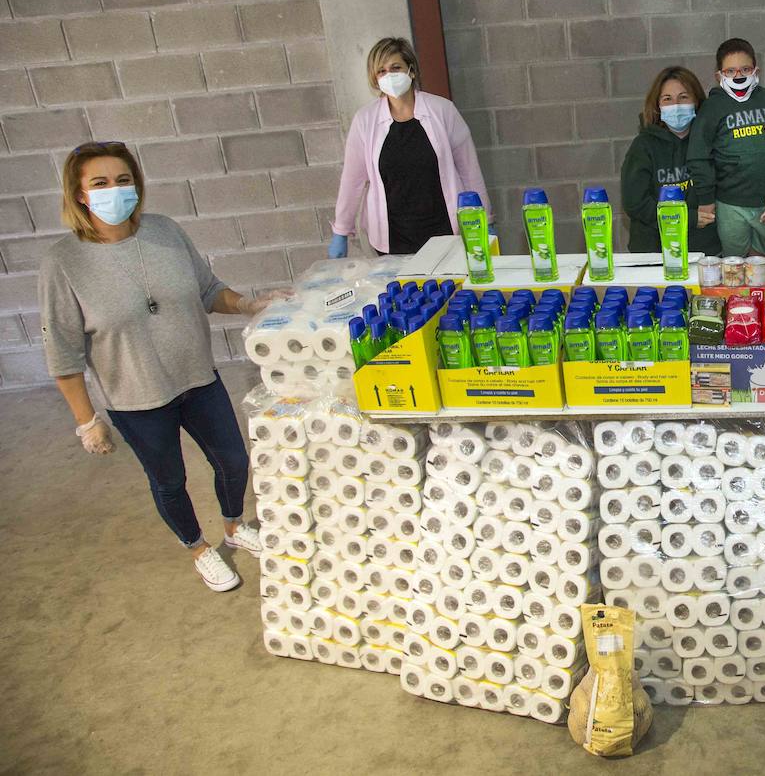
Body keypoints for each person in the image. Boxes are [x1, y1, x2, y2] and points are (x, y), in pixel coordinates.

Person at [39, 142, 286, 591]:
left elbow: (209, 289)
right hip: (137, 400)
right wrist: (86, 421)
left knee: (232, 459)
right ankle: (198, 547)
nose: (114, 190)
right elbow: (62, 350)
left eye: (123, 180)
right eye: (100, 183)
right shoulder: (64, 262)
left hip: (197, 377)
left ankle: (234, 526)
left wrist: (249, 304)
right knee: (169, 480)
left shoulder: (165, 232)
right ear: (79, 194)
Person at [330, 37, 490, 257]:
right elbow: (352, 181)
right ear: (375, 79)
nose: (389, 75)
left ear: (411, 71)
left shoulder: (442, 111)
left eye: (396, 68)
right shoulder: (365, 121)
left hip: (445, 231)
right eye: (382, 71)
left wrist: (485, 219)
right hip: (393, 238)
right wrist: (341, 231)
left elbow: (469, 171)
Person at [686, 38, 765, 258]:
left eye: (745, 69)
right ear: (719, 75)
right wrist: (706, 200)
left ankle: (757, 293)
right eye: (730, 71)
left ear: (756, 71)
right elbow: (698, 157)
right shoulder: (713, 108)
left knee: (759, 261)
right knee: (734, 265)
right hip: (731, 205)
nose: (738, 76)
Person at [620, 66, 721, 257]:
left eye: (684, 97)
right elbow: (635, 204)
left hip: (704, 251)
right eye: (667, 99)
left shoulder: (712, 142)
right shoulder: (643, 146)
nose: (676, 105)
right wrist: (687, 218)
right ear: (657, 105)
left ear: (697, 102)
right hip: (654, 253)